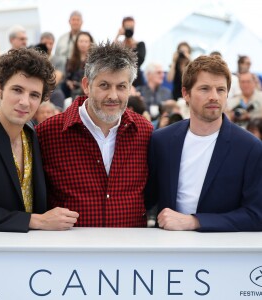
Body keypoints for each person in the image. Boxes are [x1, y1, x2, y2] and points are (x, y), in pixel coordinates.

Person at [36, 41, 153, 227]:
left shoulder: (145, 133)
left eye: (121, 86)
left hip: (130, 251)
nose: (113, 96)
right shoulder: (47, 134)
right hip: (71, 252)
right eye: (104, 85)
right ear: (86, 85)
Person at [0, 47, 79, 232]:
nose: (25, 102)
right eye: (17, 90)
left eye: (34, 95)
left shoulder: (32, 132)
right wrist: (35, 221)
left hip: (32, 255)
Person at [145, 55, 262, 232]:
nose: (214, 97)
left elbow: (256, 215)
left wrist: (195, 221)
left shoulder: (250, 147)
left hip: (222, 252)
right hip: (169, 248)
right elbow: (144, 199)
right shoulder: (162, 140)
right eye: (205, 89)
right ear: (185, 93)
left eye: (221, 90)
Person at [61, 31, 94, 99]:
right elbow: (66, 77)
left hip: (87, 89)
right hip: (71, 91)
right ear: (76, 43)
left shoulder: (93, 61)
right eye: (81, 41)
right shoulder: (70, 60)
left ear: (90, 43)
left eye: (86, 41)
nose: (83, 44)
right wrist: (69, 82)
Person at [114, 16, 146, 87]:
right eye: (127, 27)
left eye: (131, 27)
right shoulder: (119, 44)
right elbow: (111, 55)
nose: (129, 29)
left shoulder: (140, 44)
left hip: (136, 79)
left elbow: (139, 61)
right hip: (120, 78)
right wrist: (118, 35)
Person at [55, 10, 83, 75]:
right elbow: (56, 57)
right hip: (63, 72)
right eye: (73, 20)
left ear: (82, 22)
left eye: (78, 20)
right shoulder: (62, 39)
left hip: (82, 72)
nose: (75, 22)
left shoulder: (88, 38)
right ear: (69, 21)